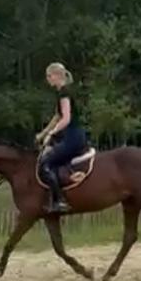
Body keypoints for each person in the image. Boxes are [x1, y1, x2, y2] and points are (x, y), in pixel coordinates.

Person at [36, 62, 88, 212]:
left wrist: (51, 134)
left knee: (45, 163)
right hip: (72, 136)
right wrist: (43, 133)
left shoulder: (65, 93)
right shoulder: (61, 92)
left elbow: (66, 119)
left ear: (57, 75)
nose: (47, 79)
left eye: (49, 75)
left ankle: (60, 201)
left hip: (73, 138)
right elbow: (57, 116)